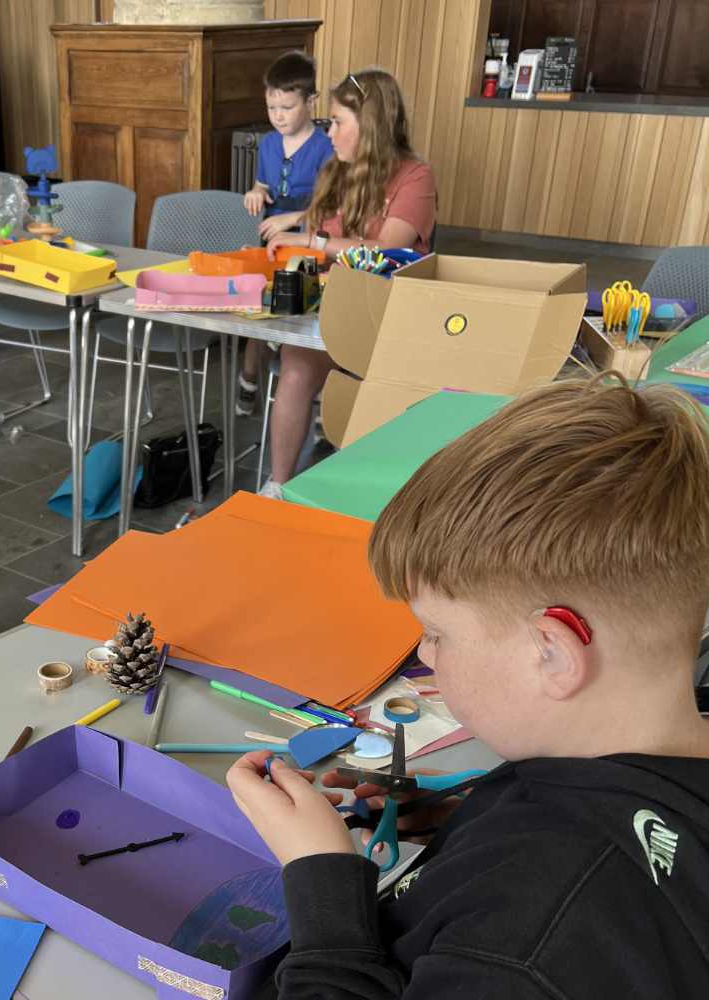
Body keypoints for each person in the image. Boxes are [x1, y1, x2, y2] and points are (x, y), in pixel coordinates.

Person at [228, 375, 709, 998]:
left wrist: (324, 889)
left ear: (552, 653)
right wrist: (466, 829)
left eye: (436, 633)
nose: (425, 654)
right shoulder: (643, 756)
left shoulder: (528, 949)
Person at [258, 69, 437, 498]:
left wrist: (310, 240)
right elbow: (329, 249)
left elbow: (383, 252)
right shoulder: (336, 171)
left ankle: (350, 488)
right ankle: (278, 485)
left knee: (351, 380)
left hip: (389, 314)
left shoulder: (416, 177)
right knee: (295, 365)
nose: (330, 132)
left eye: (338, 122)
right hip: (334, 303)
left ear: (369, 126)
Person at [238, 50, 332, 417]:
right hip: (272, 244)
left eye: (287, 108)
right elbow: (263, 184)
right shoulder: (268, 144)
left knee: (306, 316)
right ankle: (249, 379)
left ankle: (321, 396)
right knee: (259, 312)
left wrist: (290, 219)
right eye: (272, 107)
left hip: (310, 245)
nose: (278, 116)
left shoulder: (326, 147)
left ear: (310, 102)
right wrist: (256, 192)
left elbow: (330, 208)